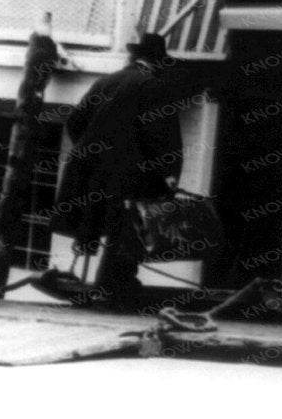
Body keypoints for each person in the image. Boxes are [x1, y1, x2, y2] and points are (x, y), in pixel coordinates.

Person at [51, 32, 183, 308]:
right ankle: (113, 285)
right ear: (158, 62)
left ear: (133, 57)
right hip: (129, 175)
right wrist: (168, 173)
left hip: (92, 171)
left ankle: (103, 282)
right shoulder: (153, 86)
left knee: (97, 222)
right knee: (129, 226)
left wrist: (93, 149)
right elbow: (160, 135)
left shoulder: (104, 82)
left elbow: (75, 121)